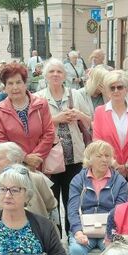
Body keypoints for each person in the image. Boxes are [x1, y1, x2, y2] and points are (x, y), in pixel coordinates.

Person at [67, 140, 128, 255]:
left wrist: (110, 234)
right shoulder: (78, 180)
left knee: (114, 253)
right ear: (89, 158)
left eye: (107, 156)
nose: (104, 159)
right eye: (99, 156)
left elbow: (120, 210)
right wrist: (78, 232)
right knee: (76, 251)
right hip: (84, 229)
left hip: (108, 230)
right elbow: (72, 210)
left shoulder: (119, 182)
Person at [37, 57, 93, 212]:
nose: (55, 74)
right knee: (51, 201)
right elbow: (34, 128)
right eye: (51, 71)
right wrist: (55, 120)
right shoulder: (38, 98)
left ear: (65, 75)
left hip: (75, 158)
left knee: (73, 201)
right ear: (45, 75)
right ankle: (54, 234)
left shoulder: (75, 95)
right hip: (50, 158)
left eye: (59, 71)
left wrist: (79, 115)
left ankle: (73, 234)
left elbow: (90, 123)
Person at [0, 63, 54, 173]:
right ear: (4, 87)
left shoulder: (41, 104)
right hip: (12, 168)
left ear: (25, 84)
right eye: (10, 83)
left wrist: (35, 157)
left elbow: (49, 133)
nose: (15, 87)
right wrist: (24, 158)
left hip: (40, 164)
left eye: (18, 82)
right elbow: (0, 141)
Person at [91, 69, 128, 177]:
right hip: (107, 168)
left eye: (119, 87)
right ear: (107, 91)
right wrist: (114, 164)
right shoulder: (100, 111)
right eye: (112, 88)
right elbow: (97, 141)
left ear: (126, 89)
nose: (116, 91)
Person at [0, 141, 56, 217]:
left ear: (15, 161)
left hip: (36, 225)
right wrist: (1, 221)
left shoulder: (36, 179)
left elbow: (51, 204)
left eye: (0, 158)